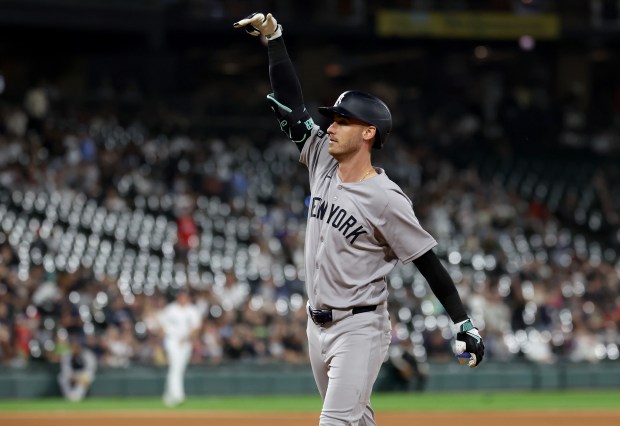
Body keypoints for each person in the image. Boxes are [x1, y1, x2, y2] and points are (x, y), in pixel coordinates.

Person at [234, 12, 485, 425]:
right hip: (316, 325)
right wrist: (275, 39)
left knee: (334, 422)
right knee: (356, 421)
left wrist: (463, 322)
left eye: (342, 120)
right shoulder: (321, 161)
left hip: (360, 327)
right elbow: (293, 109)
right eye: (333, 118)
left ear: (368, 133)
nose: (331, 126)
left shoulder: (386, 198)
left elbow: (427, 261)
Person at [157, 287, 202, 407]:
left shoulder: (192, 310)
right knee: (175, 367)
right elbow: (162, 325)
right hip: (172, 340)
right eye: (181, 296)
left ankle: (168, 396)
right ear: (178, 297)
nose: (183, 298)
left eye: (185, 296)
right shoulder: (171, 309)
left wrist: (187, 338)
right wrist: (161, 341)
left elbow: (196, 327)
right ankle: (178, 395)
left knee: (178, 368)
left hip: (186, 342)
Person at [57, 336, 98, 402]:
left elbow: (90, 369)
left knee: (86, 377)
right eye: (73, 346)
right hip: (72, 374)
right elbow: (65, 368)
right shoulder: (67, 355)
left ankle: (77, 397)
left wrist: (79, 377)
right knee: (62, 377)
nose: (75, 348)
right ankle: (68, 396)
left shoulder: (87, 354)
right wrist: (71, 376)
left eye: (76, 346)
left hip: (83, 374)